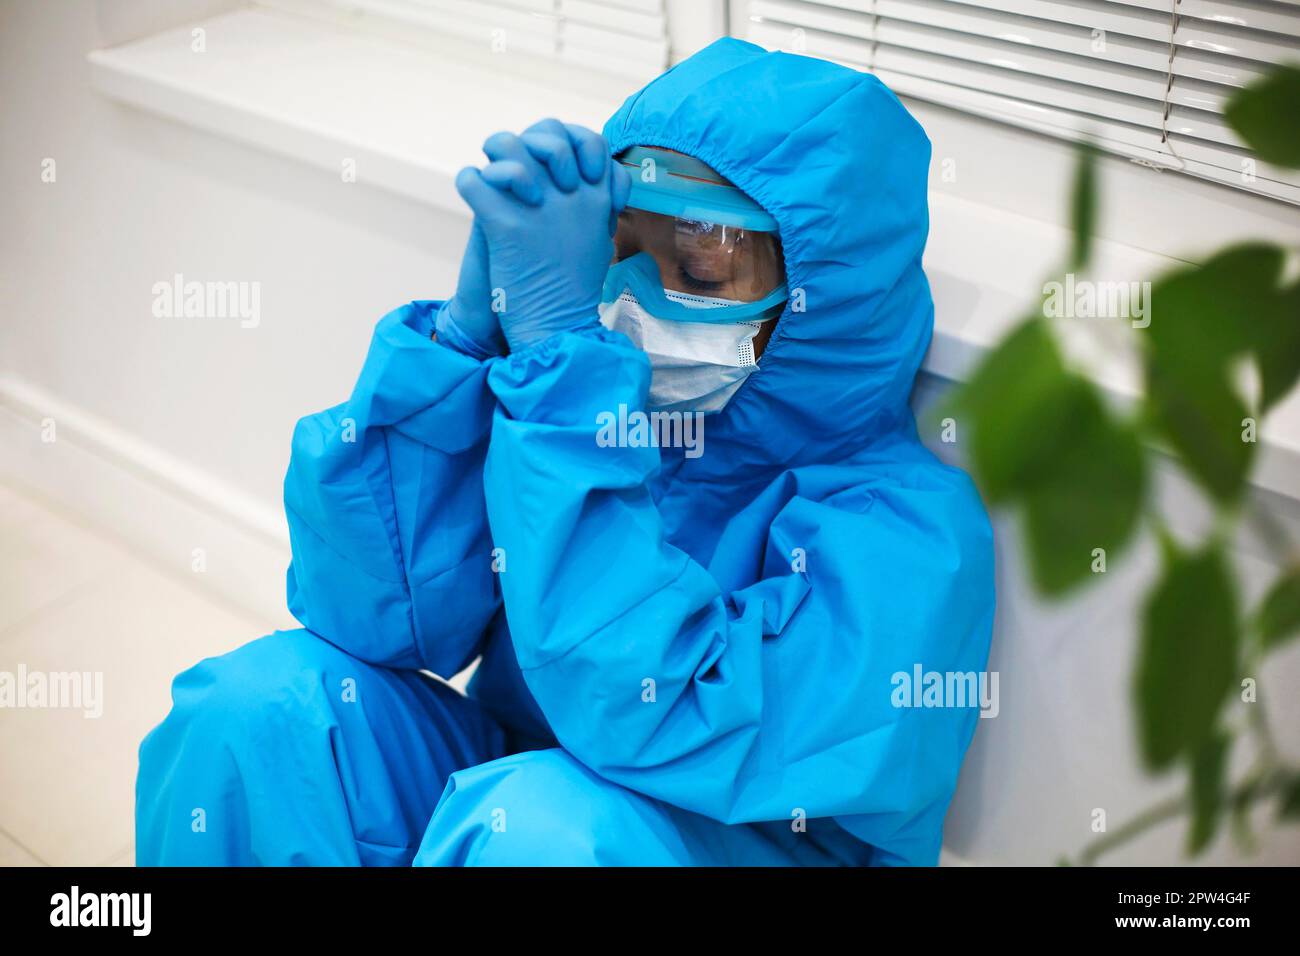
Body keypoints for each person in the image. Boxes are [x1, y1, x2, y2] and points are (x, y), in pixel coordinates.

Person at [135, 37, 994, 867]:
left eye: (696, 274)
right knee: (255, 715)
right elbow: (367, 614)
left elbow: (661, 715)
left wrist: (565, 392)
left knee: (536, 831)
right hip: (525, 789)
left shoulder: (909, 538)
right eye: (620, 250)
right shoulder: (589, 406)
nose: (632, 298)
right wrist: (465, 351)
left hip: (723, 837)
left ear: (820, 304)